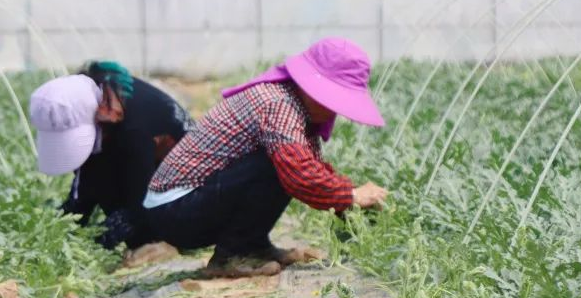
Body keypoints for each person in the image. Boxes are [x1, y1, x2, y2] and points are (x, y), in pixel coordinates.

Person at [143, 37, 389, 277]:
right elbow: (301, 175)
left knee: (285, 161)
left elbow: (313, 169)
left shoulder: (296, 107)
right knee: (280, 164)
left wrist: (349, 198)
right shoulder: (278, 103)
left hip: (189, 204)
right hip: (175, 209)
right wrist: (351, 195)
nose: (334, 108)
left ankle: (254, 245)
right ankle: (233, 254)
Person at [29, 61, 191, 253]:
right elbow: (86, 178)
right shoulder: (99, 97)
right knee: (94, 180)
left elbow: (143, 199)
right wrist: (62, 226)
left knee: (140, 233)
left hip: (182, 183)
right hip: (136, 153)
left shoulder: (135, 130)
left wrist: (115, 229)